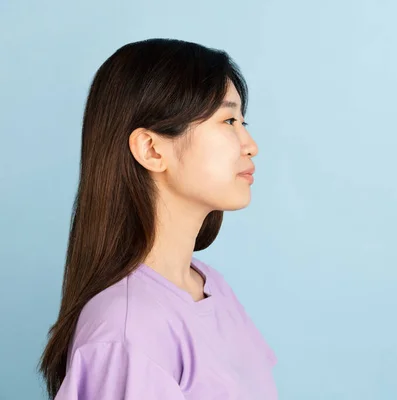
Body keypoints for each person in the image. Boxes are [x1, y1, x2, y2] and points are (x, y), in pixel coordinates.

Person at [38, 38, 277, 399]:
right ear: (152, 149)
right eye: (229, 120)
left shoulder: (211, 287)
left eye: (243, 121)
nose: (250, 144)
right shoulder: (127, 328)